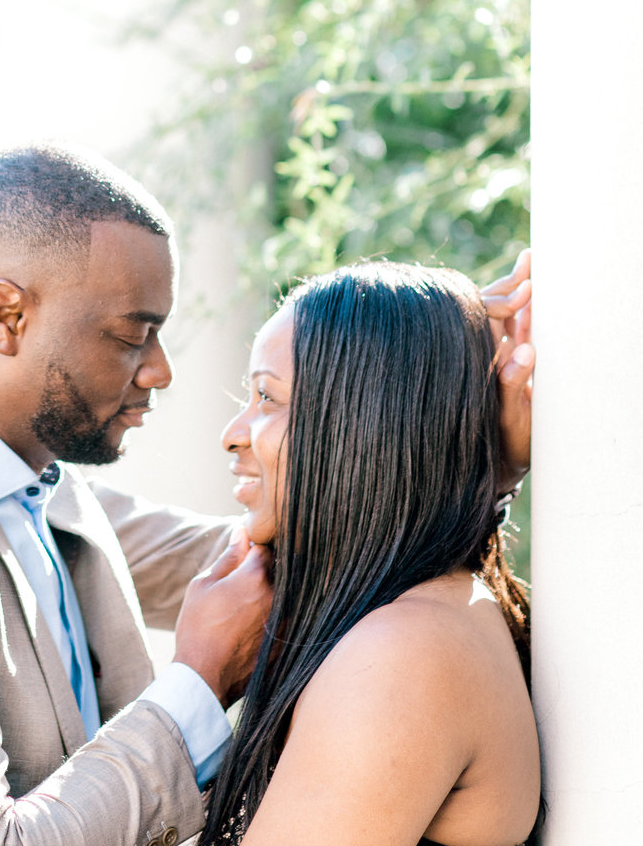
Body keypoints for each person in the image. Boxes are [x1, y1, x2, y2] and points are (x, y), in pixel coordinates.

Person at [0, 144, 533, 846]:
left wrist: (445, 417)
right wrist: (198, 683)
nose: (162, 371)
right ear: (5, 314)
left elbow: (319, 534)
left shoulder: (19, 474)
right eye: (132, 335)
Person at [204, 260, 540, 846]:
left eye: (266, 396)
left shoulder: (402, 653)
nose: (233, 432)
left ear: (366, 421)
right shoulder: (424, 614)